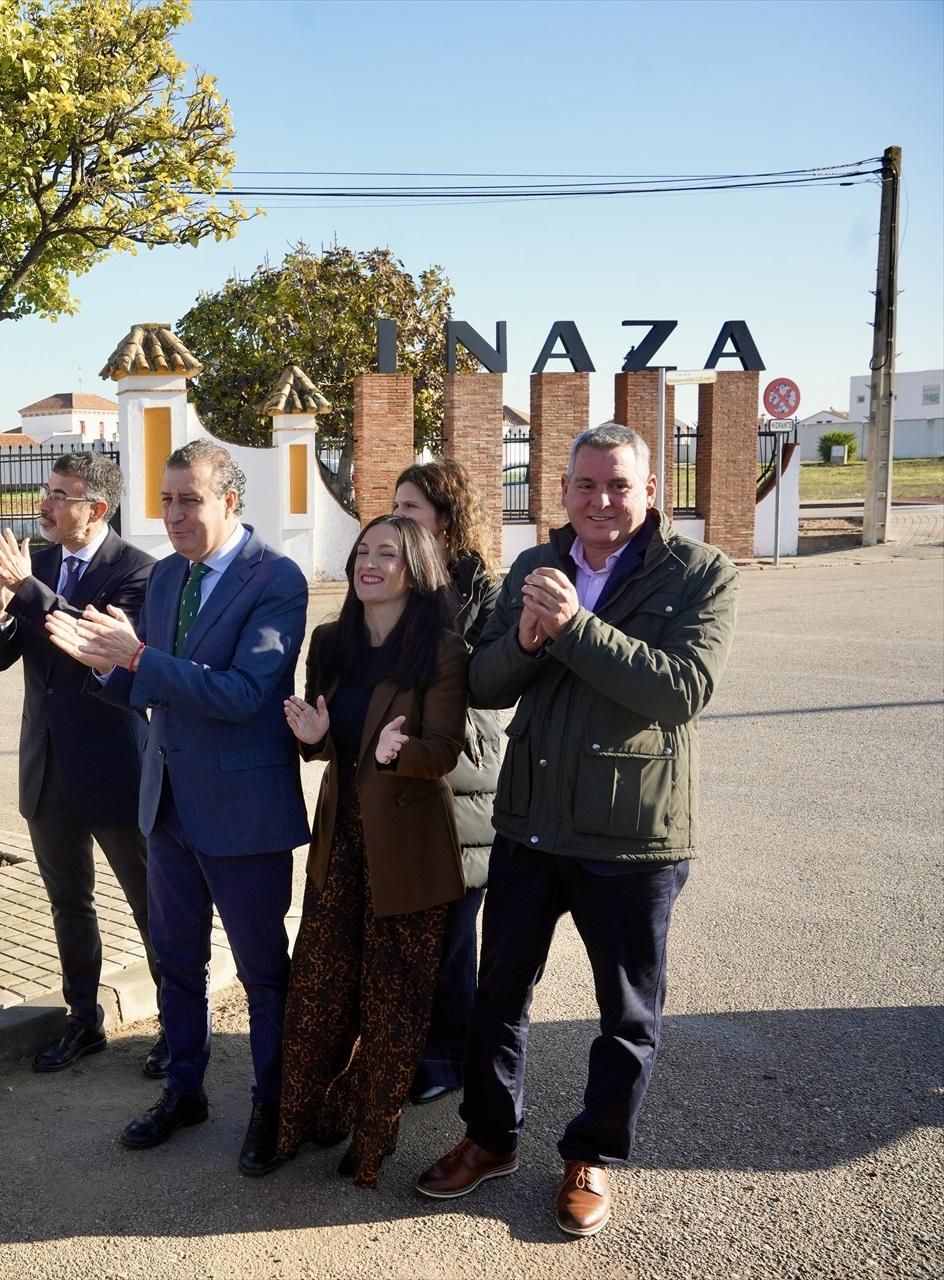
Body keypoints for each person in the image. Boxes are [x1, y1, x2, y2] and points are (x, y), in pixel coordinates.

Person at [415, 423, 739, 1239]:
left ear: (651, 491)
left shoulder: (699, 573)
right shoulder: (535, 567)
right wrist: (525, 639)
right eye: (586, 486)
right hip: (530, 821)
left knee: (625, 1015)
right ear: (561, 492)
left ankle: (591, 1154)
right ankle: (490, 1139)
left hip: (633, 836)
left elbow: (681, 690)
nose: (601, 501)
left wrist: (575, 629)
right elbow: (485, 683)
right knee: (498, 998)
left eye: (619, 486)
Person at [46, 439, 309, 1177]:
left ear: (230, 499)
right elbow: (151, 688)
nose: (175, 515)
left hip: (244, 810)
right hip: (167, 806)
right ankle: (185, 1089)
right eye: (166, 501)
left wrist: (136, 659)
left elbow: (244, 694)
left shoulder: (277, 581)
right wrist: (105, 668)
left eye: (190, 499)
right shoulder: (166, 577)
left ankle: (273, 1104)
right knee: (177, 962)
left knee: (261, 973)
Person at [275, 515, 467, 1188]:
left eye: (387, 553)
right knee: (320, 987)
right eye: (362, 552)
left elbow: (444, 750)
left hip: (409, 844)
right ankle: (306, 1119)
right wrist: (318, 737)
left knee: (392, 1001)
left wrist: (401, 752)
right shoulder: (331, 642)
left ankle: (371, 1142)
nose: (369, 563)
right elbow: (323, 744)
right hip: (343, 837)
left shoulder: (441, 648)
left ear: (413, 568)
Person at [0, 451, 163, 1076]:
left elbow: (92, 643)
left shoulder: (139, 573)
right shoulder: (42, 565)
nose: (45, 504)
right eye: (46, 491)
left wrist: (27, 591)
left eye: (60, 495)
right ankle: (84, 1020)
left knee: (149, 902)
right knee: (68, 904)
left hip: (113, 769)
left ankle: (177, 1025)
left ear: (96, 508)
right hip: (47, 765)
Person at [391, 460, 504, 1106]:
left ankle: (449, 1055)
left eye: (412, 508)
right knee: (411, 931)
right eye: (396, 506)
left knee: (454, 935)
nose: (399, 517)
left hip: (463, 778)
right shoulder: (396, 579)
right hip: (401, 772)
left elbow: (485, 683)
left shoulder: (479, 586)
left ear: (444, 516)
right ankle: (410, 1045)